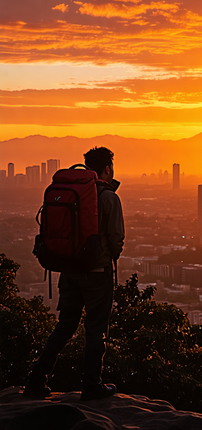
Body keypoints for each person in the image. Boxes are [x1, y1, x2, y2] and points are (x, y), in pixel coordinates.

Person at [23, 147, 125, 401]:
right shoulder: (108, 197)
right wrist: (111, 255)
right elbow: (116, 239)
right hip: (97, 274)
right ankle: (92, 386)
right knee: (95, 329)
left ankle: (36, 379)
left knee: (65, 326)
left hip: (68, 272)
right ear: (107, 169)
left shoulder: (73, 193)